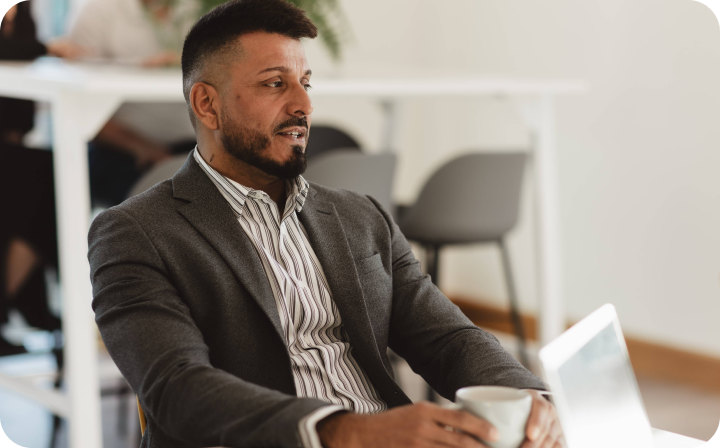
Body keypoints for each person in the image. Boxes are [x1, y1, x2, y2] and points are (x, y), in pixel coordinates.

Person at [88, 1, 565, 447]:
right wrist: (346, 432)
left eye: (306, 83)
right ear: (207, 104)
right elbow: (178, 388)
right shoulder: (136, 233)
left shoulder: (361, 216)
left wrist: (527, 396)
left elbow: (448, 338)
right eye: (275, 84)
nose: (304, 106)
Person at [0, 1, 84, 355]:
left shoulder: (26, 12)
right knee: (44, 175)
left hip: (13, 145)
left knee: (48, 173)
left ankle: (15, 300)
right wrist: (49, 48)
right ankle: (18, 301)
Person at [65, 0, 198, 206]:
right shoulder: (100, 11)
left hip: (198, 144)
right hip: (123, 150)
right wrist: (140, 147)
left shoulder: (203, 7)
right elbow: (75, 104)